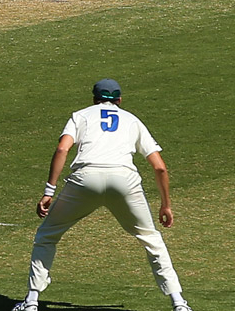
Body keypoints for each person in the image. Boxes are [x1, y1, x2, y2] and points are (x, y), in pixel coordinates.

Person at [12, 79, 192, 311]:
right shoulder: (132, 120)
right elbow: (159, 167)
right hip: (124, 180)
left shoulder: (81, 116)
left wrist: (49, 191)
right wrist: (166, 205)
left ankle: (31, 302)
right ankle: (179, 303)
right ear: (119, 99)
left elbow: (62, 149)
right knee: (152, 240)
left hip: (85, 180)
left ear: (94, 98)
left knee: (47, 235)